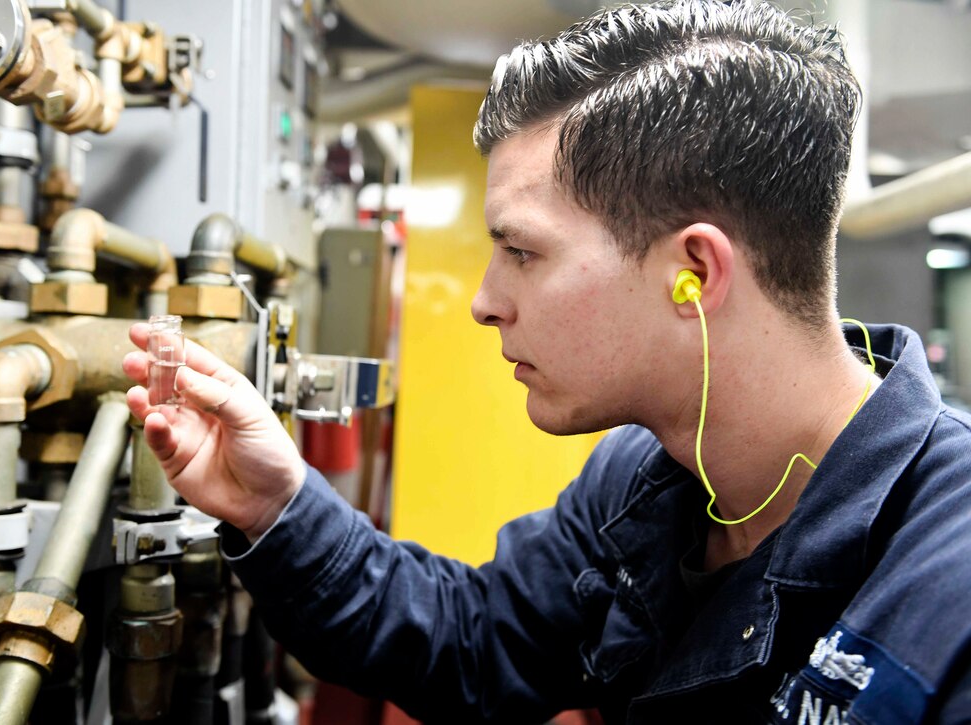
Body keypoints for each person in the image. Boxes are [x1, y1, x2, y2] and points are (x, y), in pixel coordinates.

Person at [122, 0, 971, 721]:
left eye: (522, 252)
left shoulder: (949, 573)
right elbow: (472, 637)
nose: (484, 300)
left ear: (695, 273)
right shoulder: (643, 479)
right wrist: (277, 505)